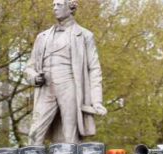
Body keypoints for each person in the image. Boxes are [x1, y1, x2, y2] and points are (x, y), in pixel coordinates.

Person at [24, 0, 107, 145]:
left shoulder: (85, 36)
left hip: (69, 86)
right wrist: (34, 77)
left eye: (59, 5)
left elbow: (94, 69)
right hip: (46, 88)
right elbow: (29, 67)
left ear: (71, 8)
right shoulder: (42, 37)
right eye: (53, 5)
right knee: (35, 132)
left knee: (70, 135)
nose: (55, 8)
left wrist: (97, 101)